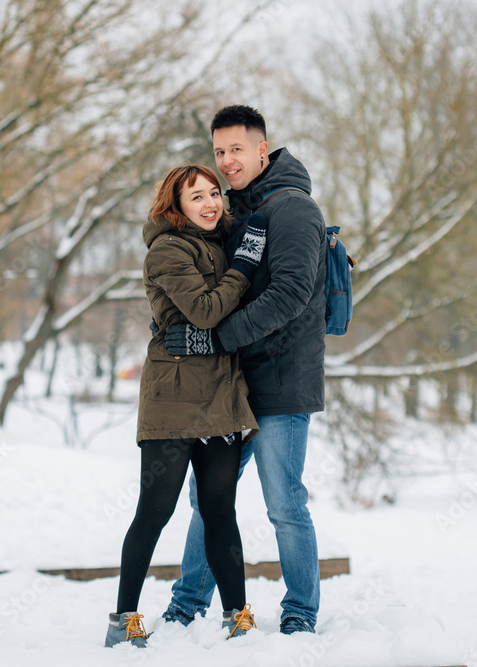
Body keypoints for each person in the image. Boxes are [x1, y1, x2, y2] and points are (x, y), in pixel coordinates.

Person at [162, 105, 327, 634]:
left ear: (262, 149)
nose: (227, 161)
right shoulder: (230, 210)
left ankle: (300, 612)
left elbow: (292, 293)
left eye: (236, 149)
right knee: (208, 500)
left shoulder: (294, 209)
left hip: (281, 380)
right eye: (219, 152)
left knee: (284, 503)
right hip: (230, 382)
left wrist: (219, 339)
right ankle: (187, 603)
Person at [105, 165, 267, 648]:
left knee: (220, 510)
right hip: (173, 398)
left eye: (214, 192)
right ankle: (123, 617)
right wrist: (243, 267)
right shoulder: (168, 250)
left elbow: (217, 317)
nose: (211, 202)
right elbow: (204, 309)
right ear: (175, 205)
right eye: (197, 196)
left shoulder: (220, 242)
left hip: (219, 395)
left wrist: (213, 330)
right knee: (155, 509)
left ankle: (236, 614)